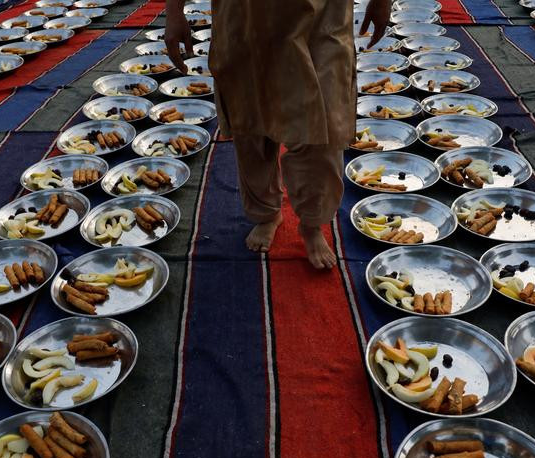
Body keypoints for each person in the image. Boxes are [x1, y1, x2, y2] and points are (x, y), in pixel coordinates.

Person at [165, 0, 390, 269]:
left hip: (323, 17)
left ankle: (312, 223)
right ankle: (266, 213)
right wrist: (174, 11)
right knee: (251, 125)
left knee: (325, 125)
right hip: (244, 16)